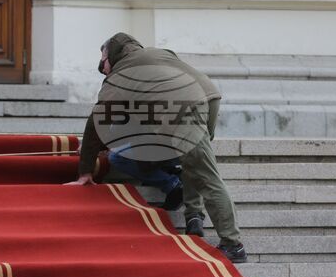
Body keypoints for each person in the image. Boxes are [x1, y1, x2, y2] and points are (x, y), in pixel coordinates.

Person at [65, 33, 248, 264]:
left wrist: (85, 170)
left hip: (182, 110)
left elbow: (97, 121)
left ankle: (233, 245)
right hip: (208, 98)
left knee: (206, 176)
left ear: (111, 54)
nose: (102, 68)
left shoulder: (121, 74)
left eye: (102, 61)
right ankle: (194, 216)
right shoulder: (157, 55)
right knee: (193, 160)